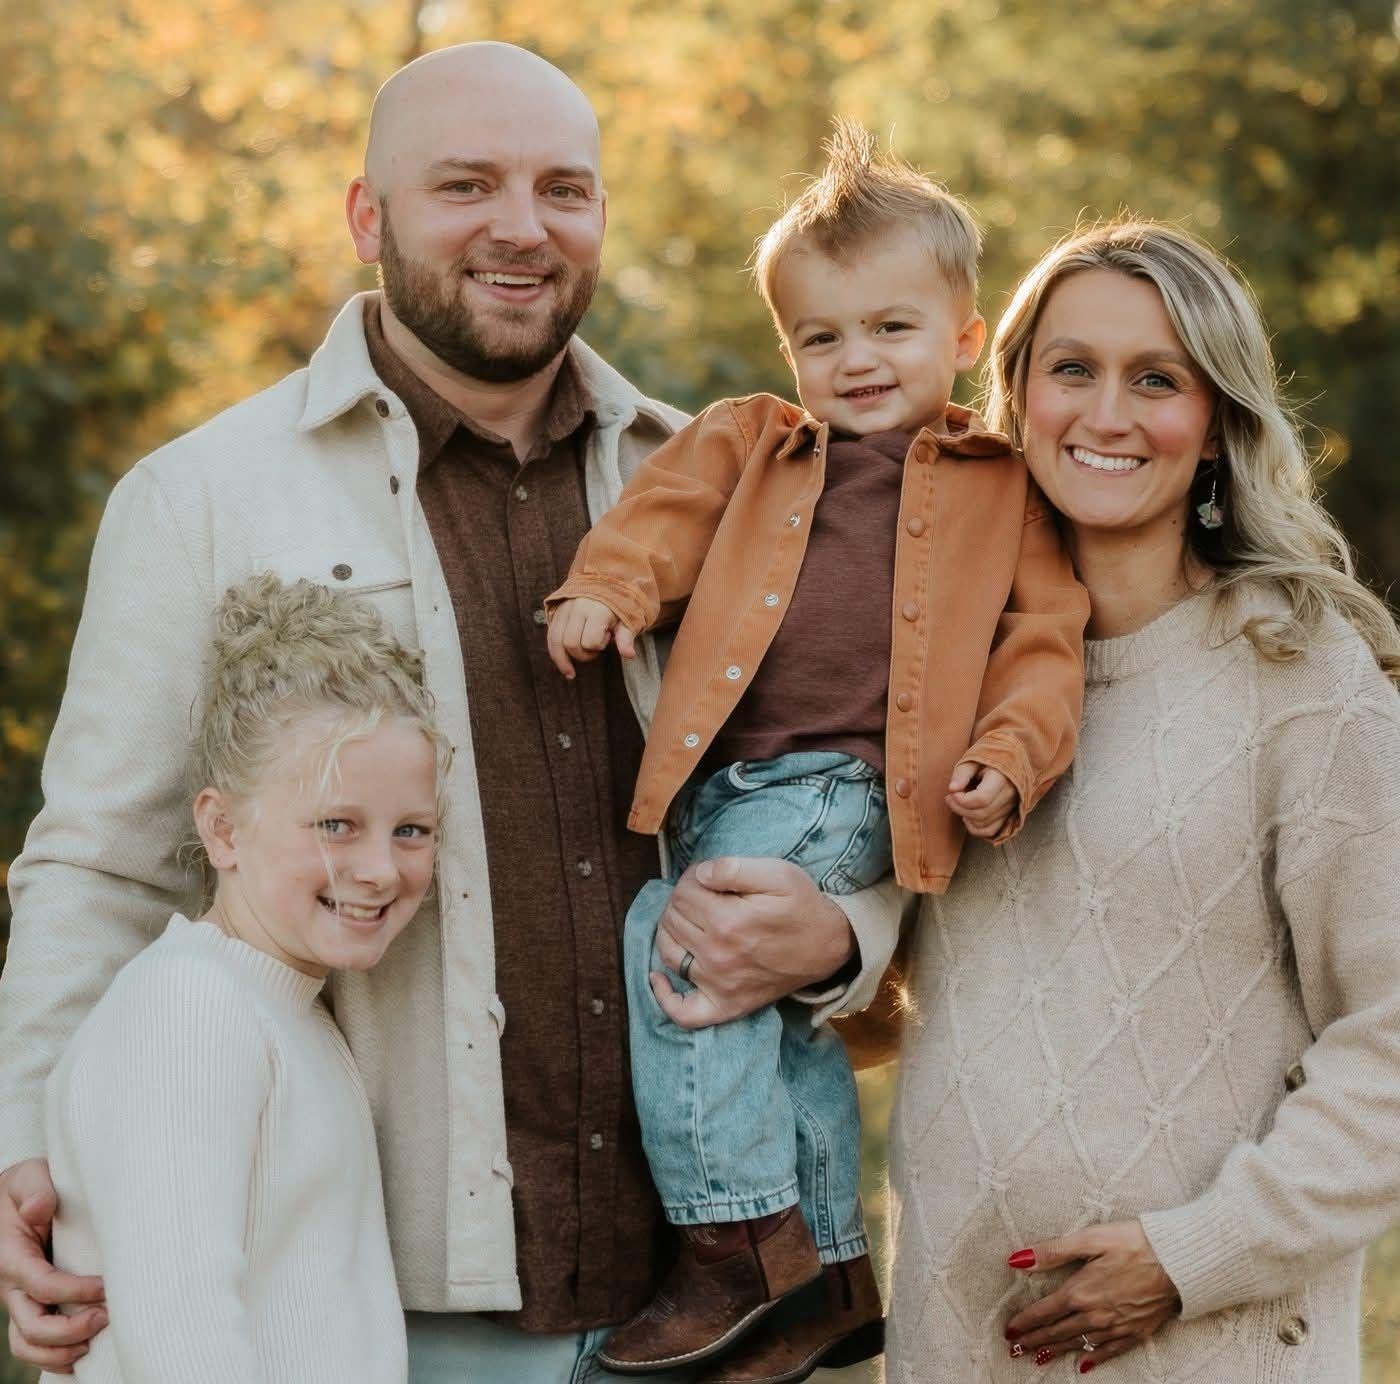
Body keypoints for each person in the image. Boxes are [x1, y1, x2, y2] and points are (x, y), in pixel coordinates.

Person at [0, 43, 904, 1384]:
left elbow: (841, 769)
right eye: (465, 186)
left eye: (563, 189)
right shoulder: (201, 499)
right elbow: (101, 861)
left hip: (703, 1294)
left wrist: (848, 929)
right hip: (385, 1293)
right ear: (368, 217)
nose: (521, 227)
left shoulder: (716, 482)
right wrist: (27, 1147)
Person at [546, 123, 1088, 1380]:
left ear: (960, 338)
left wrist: (1009, 751)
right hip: (724, 785)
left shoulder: (1003, 485)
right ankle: (836, 1271)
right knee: (777, 1018)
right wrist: (606, 591)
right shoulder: (752, 443)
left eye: (891, 329)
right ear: (787, 348)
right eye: (821, 336)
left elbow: (1042, 642)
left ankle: (734, 1241)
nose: (854, 361)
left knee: (676, 941)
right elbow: (659, 521)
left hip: (852, 785)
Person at [871, 221, 1400, 1381]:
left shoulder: (1300, 679)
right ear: (1013, 394)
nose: (1105, 415)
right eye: (1072, 369)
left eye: (1153, 379)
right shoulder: (932, 666)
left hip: (1208, 1349)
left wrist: (1191, 1254)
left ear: (1211, 424)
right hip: (956, 1342)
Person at [41, 574, 444, 1383]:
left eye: (411, 830)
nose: (378, 869)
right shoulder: (188, 1009)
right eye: (337, 825)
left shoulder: (290, 1010)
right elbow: (181, 1347)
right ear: (222, 829)